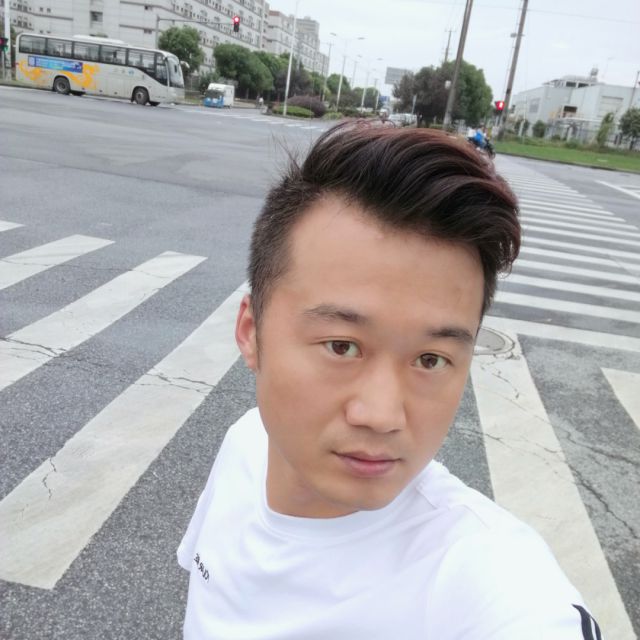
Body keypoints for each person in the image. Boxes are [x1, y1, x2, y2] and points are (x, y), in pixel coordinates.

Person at [177, 123, 601, 639]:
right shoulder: (247, 445)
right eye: (342, 346)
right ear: (250, 331)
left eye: (430, 359)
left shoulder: (488, 590)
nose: (381, 416)